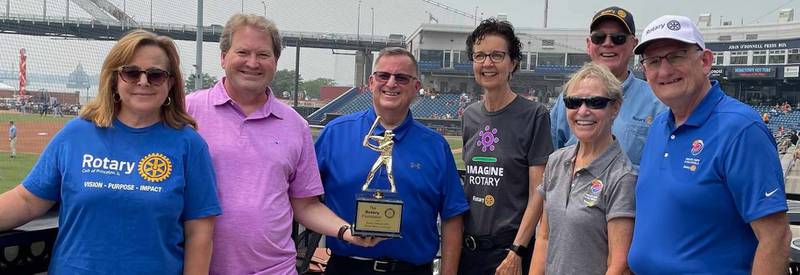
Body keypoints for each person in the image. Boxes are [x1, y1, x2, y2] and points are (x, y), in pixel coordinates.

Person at [0, 30, 221, 274]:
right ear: (115, 79)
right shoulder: (76, 134)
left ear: (170, 83)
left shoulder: (189, 145)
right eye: (131, 72)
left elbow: (199, 233)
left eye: (156, 75)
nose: (143, 81)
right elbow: (27, 200)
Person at [185, 14, 378, 275]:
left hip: (274, 269)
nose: (252, 63)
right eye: (242, 52)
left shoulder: (295, 125)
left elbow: (306, 205)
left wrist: (347, 231)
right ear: (223, 57)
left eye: (263, 55)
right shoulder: (187, 111)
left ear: (275, 61)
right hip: (198, 268)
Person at [628, 15, 790, 274]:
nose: (664, 71)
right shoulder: (659, 125)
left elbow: (775, 238)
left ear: (705, 61)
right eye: (654, 61)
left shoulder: (740, 128)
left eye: (676, 56)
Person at [315, 47, 469, 275]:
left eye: (402, 78)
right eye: (383, 76)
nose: (391, 83)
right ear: (371, 82)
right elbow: (304, 200)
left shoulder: (436, 146)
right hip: (346, 266)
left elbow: (452, 216)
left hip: (411, 269)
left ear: (416, 87)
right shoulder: (335, 133)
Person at [460, 18, 554, 275]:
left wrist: (517, 250)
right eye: (479, 56)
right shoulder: (469, 116)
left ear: (513, 63)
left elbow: (539, 192)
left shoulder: (534, 115)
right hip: (467, 251)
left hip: (508, 251)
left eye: (497, 55)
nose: (487, 63)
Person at [531, 62, 636, 275]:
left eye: (596, 102)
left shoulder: (623, 176)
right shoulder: (556, 162)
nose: (583, 111)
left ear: (615, 107)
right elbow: (544, 237)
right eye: (573, 102)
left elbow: (618, 264)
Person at [550, 6, 666, 166]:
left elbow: (662, 167)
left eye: (618, 38)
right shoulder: (569, 98)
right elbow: (549, 157)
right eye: (599, 37)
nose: (608, 44)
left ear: (633, 44)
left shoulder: (657, 102)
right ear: (589, 45)